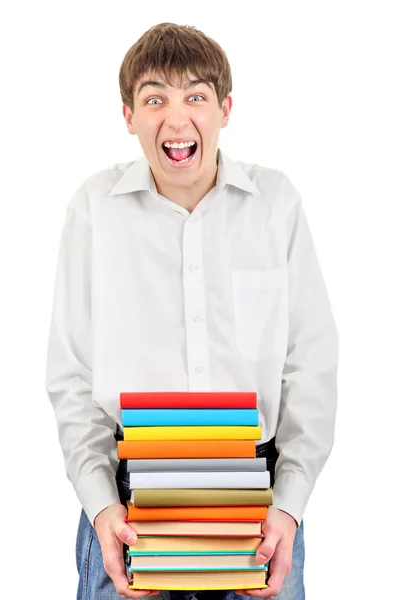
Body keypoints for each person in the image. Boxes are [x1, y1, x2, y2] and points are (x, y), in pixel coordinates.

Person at [45, 22, 339, 600]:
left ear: (225, 109)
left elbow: (311, 361)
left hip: (259, 503)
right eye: (155, 98)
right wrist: (103, 507)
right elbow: (72, 375)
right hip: (130, 499)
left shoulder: (275, 204)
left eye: (196, 97)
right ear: (128, 115)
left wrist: (290, 506)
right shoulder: (93, 211)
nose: (176, 120)